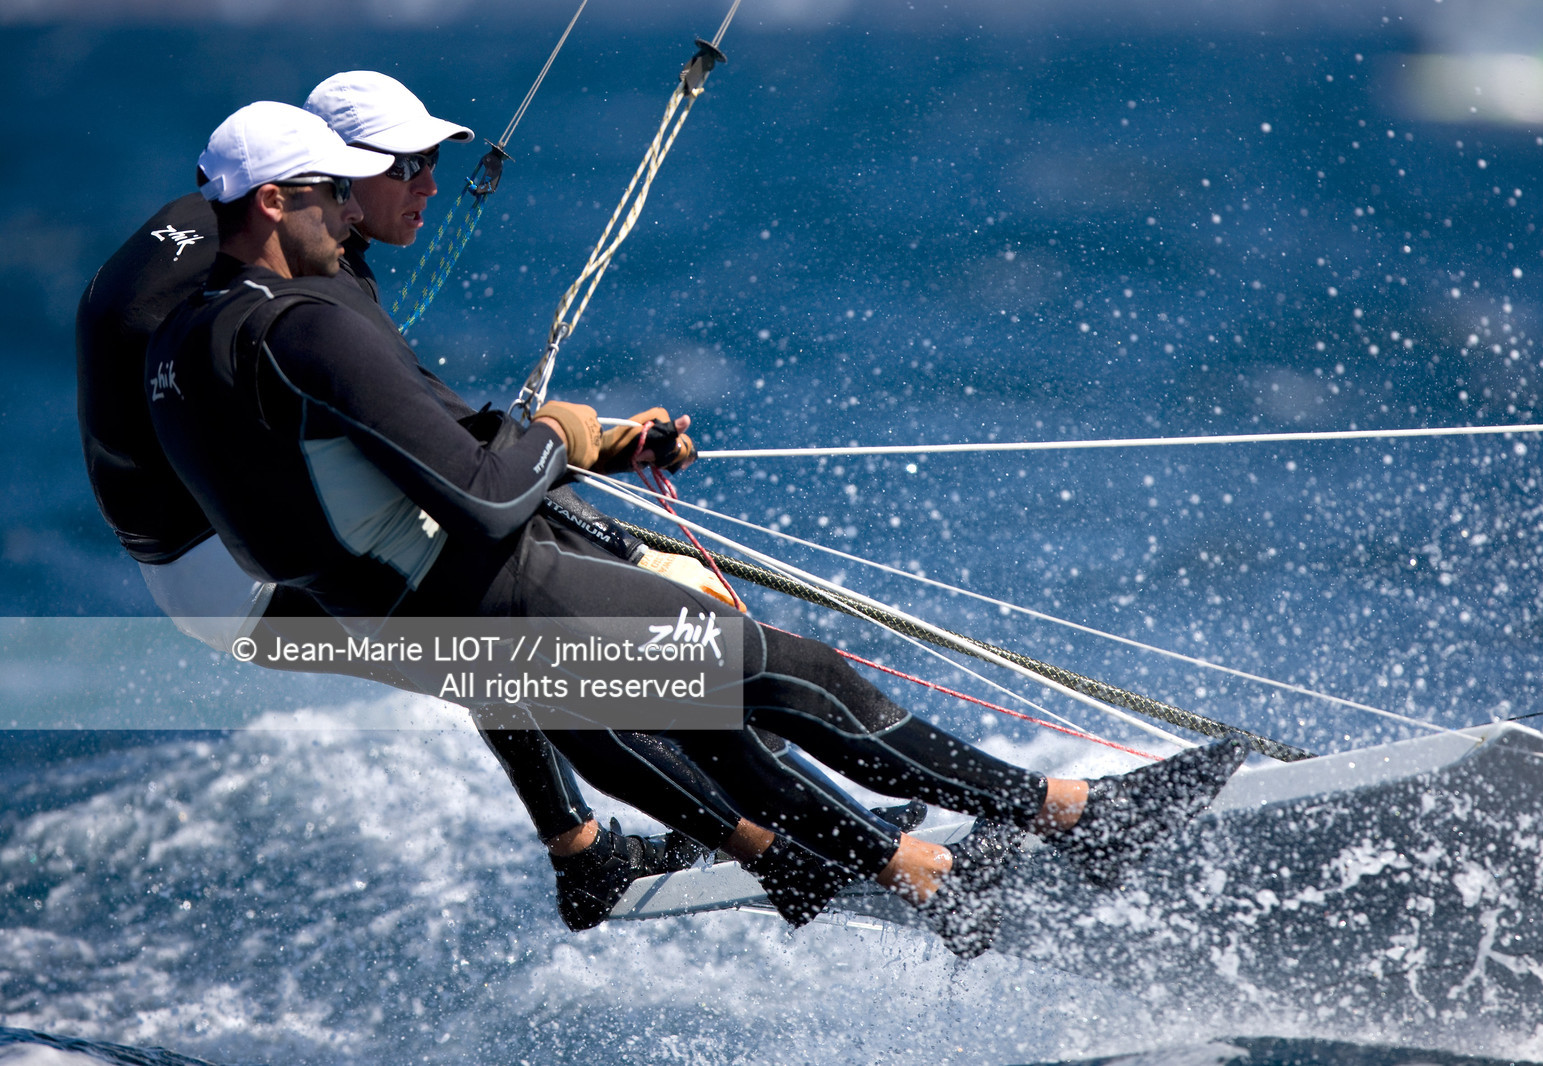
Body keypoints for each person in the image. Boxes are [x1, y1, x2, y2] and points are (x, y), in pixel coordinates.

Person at [146, 101, 1249, 957]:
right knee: (783, 671)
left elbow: (358, 464)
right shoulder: (309, 329)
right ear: (277, 201)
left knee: (711, 715)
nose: (349, 213)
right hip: (487, 588)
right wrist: (559, 432)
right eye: (333, 195)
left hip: (408, 612)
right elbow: (486, 486)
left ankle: (915, 872)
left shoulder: (193, 340)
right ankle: (1072, 815)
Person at [75, 76, 698, 931]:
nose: (430, 188)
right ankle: (755, 831)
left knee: (498, 606)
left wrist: (580, 458)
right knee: (511, 618)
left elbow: (428, 440)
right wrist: (582, 462)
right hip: (237, 573)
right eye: (404, 167)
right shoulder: (269, 288)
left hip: (213, 560)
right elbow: (460, 469)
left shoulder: (241, 238)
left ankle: (590, 851)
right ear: (314, 179)